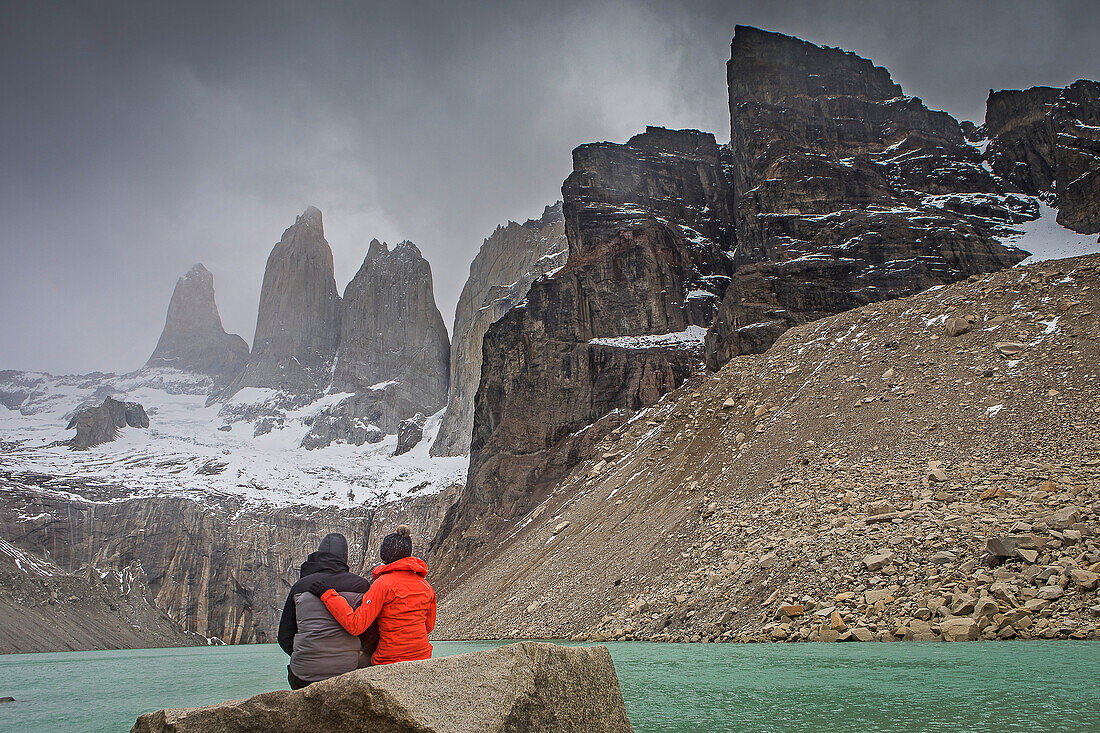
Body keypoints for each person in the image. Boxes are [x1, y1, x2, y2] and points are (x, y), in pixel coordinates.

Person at [310, 524, 436, 665]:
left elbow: (356, 625)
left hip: (389, 660)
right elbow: (428, 626)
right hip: (423, 657)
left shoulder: (383, 584)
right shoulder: (426, 586)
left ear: (385, 555)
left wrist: (327, 594)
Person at [277, 532, 377, 689]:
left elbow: (284, 637)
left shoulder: (300, 586)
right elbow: (371, 635)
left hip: (304, 676)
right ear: (344, 558)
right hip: (348, 671)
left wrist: (309, 656)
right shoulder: (360, 586)